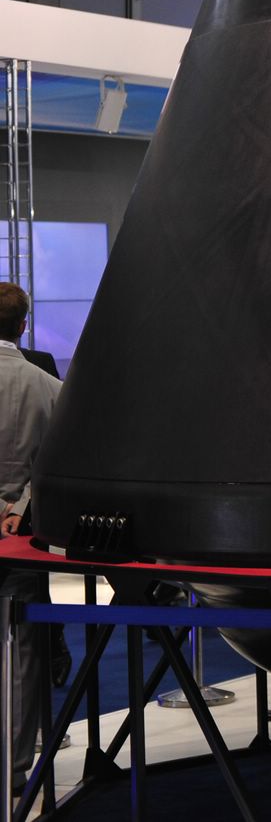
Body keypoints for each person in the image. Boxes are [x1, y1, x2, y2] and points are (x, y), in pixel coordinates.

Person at [0, 285, 57, 789]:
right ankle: (13, 768)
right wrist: (18, 507)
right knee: (25, 654)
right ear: (23, 326)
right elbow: (56, 468)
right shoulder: (49, 387)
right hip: (20, 539)